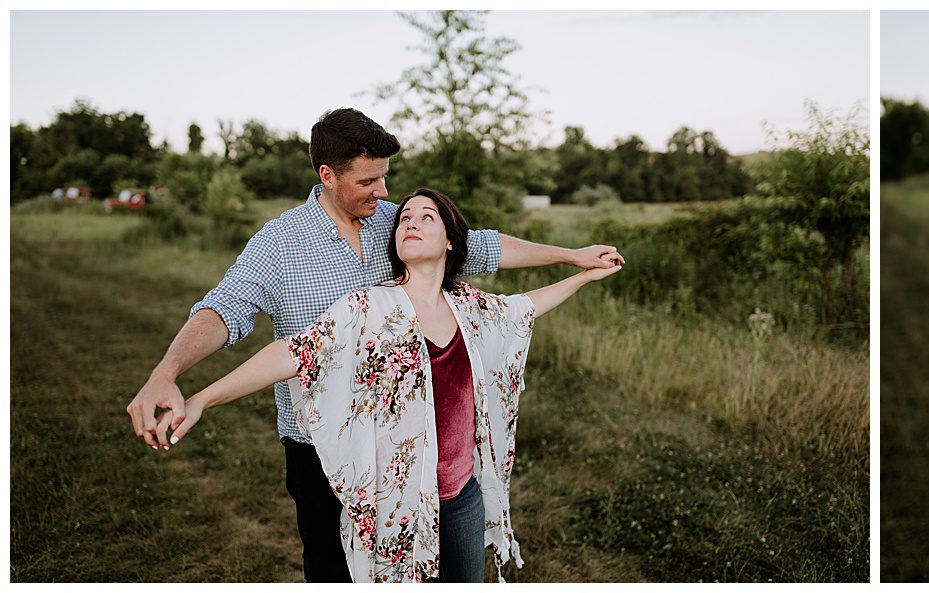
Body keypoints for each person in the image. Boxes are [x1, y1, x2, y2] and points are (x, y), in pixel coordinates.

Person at [124, 108, 625, 582]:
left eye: (385, 177)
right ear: (327, 175)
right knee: (335, 571)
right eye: (368, 181)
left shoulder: (396, 222)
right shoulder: (280, 243)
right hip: (321, 451)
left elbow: (486, 247)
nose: (383, 192)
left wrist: (571, 256)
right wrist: (167, 374)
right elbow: (225, 310)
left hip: (409, 447)